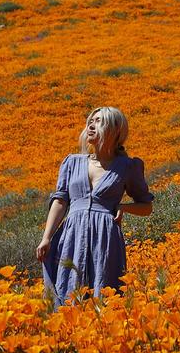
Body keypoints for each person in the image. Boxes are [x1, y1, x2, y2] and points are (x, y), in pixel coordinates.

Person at [36, 106, 154, 307]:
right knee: (68, 290)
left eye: (98, 121)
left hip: (105, 238)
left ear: (115, 129)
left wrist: (124, 207)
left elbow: (146, 206)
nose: (91, 126)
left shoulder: (128, 167)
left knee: (105, 294)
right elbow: (60, 201)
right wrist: (46, 237)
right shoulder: (72, 162)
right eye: (90, 121)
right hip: (71, 236)